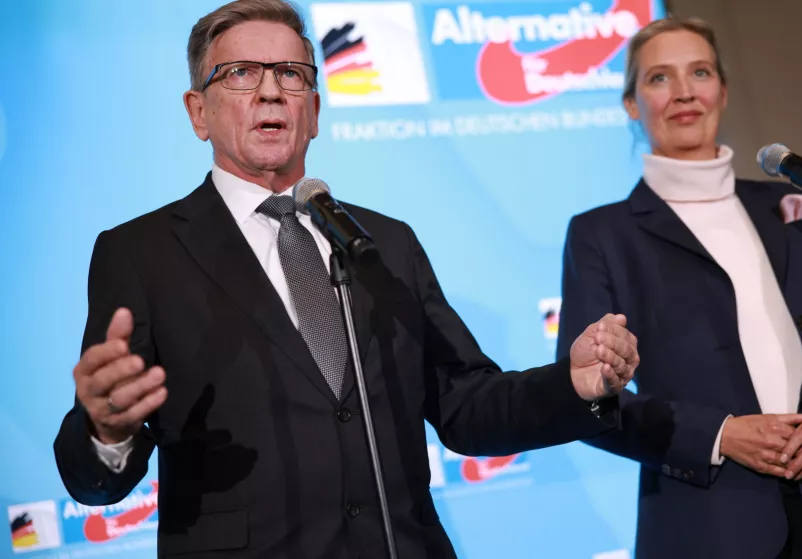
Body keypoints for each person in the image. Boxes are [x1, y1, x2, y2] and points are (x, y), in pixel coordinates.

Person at [52, 1, 641, 557]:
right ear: (197, 112)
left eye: (290, 73)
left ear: (313, 108)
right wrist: (107, 430)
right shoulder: (139, 252)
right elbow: (96, 484)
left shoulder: (384, 242)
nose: (269, 90)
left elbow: (464, 405)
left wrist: (573, 383)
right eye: (239, 73)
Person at [556, 15, 802, 559]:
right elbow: (585, 399)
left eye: (699, 72)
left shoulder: (790, 205)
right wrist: (721, 435)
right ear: (631, 104)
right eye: (659, 78)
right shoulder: (602, 233)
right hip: (707, 525)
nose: (683, 93)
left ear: (722, 89)